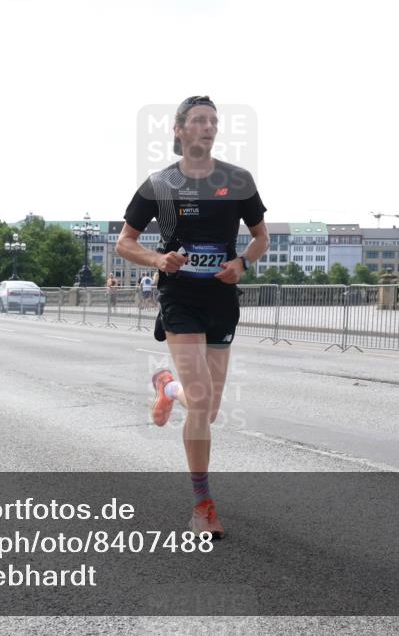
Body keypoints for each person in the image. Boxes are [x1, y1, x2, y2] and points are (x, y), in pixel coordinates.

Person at [117, 95, 269, 539]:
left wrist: (241, 264)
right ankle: (203, 506)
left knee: (210, 408)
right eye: (199, 121)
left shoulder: (237, 180)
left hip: (221, 298)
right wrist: (157, 259)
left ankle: (167, 386)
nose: (208, 127)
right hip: (180, 297)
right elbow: (125, 242)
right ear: (178, 130)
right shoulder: (160, 184)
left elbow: (261, 237)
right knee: (201, 402)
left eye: (213, 122)